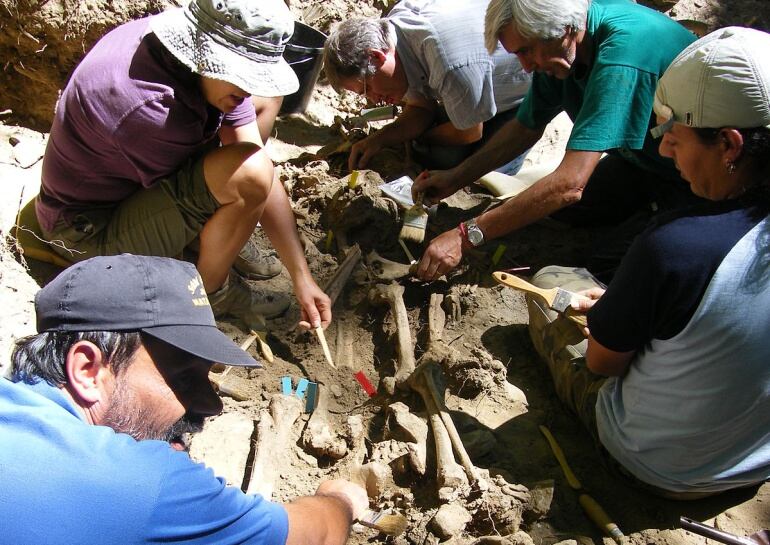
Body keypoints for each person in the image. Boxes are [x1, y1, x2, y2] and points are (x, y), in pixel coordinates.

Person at [525, 27, 770, 499]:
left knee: (551, 282)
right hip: (753, 463)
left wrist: (611, 314)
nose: (662, 149)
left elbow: (602, 365)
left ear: (729, 145)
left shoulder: (675, 245)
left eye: (675, 136)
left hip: (659, 466)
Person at [0, 253, 369, 543]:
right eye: (183, 377)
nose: (211, 406)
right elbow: (312, 536)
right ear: (87, 369)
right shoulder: (143, 485)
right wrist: (341, 500)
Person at [36, 0, 330, 331]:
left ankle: (225, 237)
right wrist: (227, 228)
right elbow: (247, 176)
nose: (248, 88)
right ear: (208, 53)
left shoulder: (186, 55)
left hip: (122, 187)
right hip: (84, 231)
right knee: (243, 182)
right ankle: (211, 293)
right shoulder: (153, 110)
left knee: (265, 106)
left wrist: (301, 276)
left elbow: (251, 155)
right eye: (243, 74)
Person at [412, 0, 700, 283]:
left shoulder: (620, 56)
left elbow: (569, 184)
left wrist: (466, 236)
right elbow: (525, 128)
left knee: (606, 266)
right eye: (518, 54)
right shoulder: (560, 49)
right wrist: (456, 177)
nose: (525, 67)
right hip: (642, 161)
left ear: (565, 30)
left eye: (526, 51)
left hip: (700, 183)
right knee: (560, 212)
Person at [322, 0, 531, 173]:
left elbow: (469, 133)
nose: (373, 100)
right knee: (437, 152)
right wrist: (379, 139)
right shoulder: (395, 36)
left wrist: (421, 136)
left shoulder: (449, 66)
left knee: (478, 173)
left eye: (367, 89)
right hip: (476, 79)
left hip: (531, 83)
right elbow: (421, 107)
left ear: (376, 57)